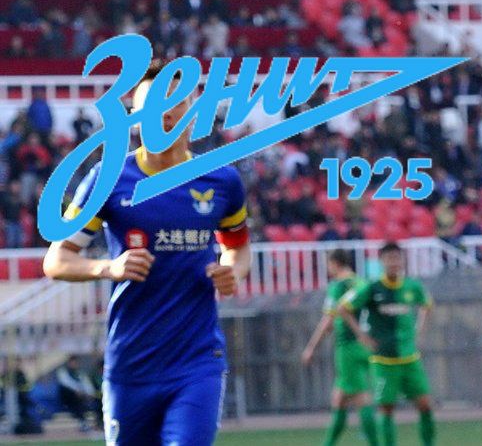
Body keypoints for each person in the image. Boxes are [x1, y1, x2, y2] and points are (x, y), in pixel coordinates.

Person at [42, 61, 252, 446]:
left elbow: (238, 251)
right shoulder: (108, 179)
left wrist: (232, 272)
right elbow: (56, 260)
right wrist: (109, 268)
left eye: (177, 102)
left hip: (197, 362)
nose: (166, 112)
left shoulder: (222, 180)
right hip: (131, 365)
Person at [339, 242, 436, 446]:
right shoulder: (371, 287)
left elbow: (427, 305)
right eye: (389, 259)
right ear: (381, 262)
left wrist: (420, 331)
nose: (394, 263)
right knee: (386, 408)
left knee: (425, 404)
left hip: (410, 358)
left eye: (397, 258)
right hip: (383, 360)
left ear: (402, 261)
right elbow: (344, 308)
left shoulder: (412, 286)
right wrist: (362, 336)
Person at [301, 249, 378, 446]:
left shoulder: (338, 286)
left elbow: (328, 320)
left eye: (328, 264)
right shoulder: (361, 283)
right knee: (339, 399)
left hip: (348, 347)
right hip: (364, 346)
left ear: (334, 263)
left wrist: (311, 347)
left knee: (360, 397)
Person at [56, 355, 97, 431]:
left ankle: (93, 422)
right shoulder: (63, 372)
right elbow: (67, 383)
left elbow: (87, 384)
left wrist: (90, 393)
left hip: (79, 397)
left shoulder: (80, 373)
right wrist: (77, 391)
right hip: (67, 397)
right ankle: (82, 421)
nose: (74, 364)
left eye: (76, 362)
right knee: (73, 396)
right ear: (69, 363)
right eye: (73, 362)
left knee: (89, 401)